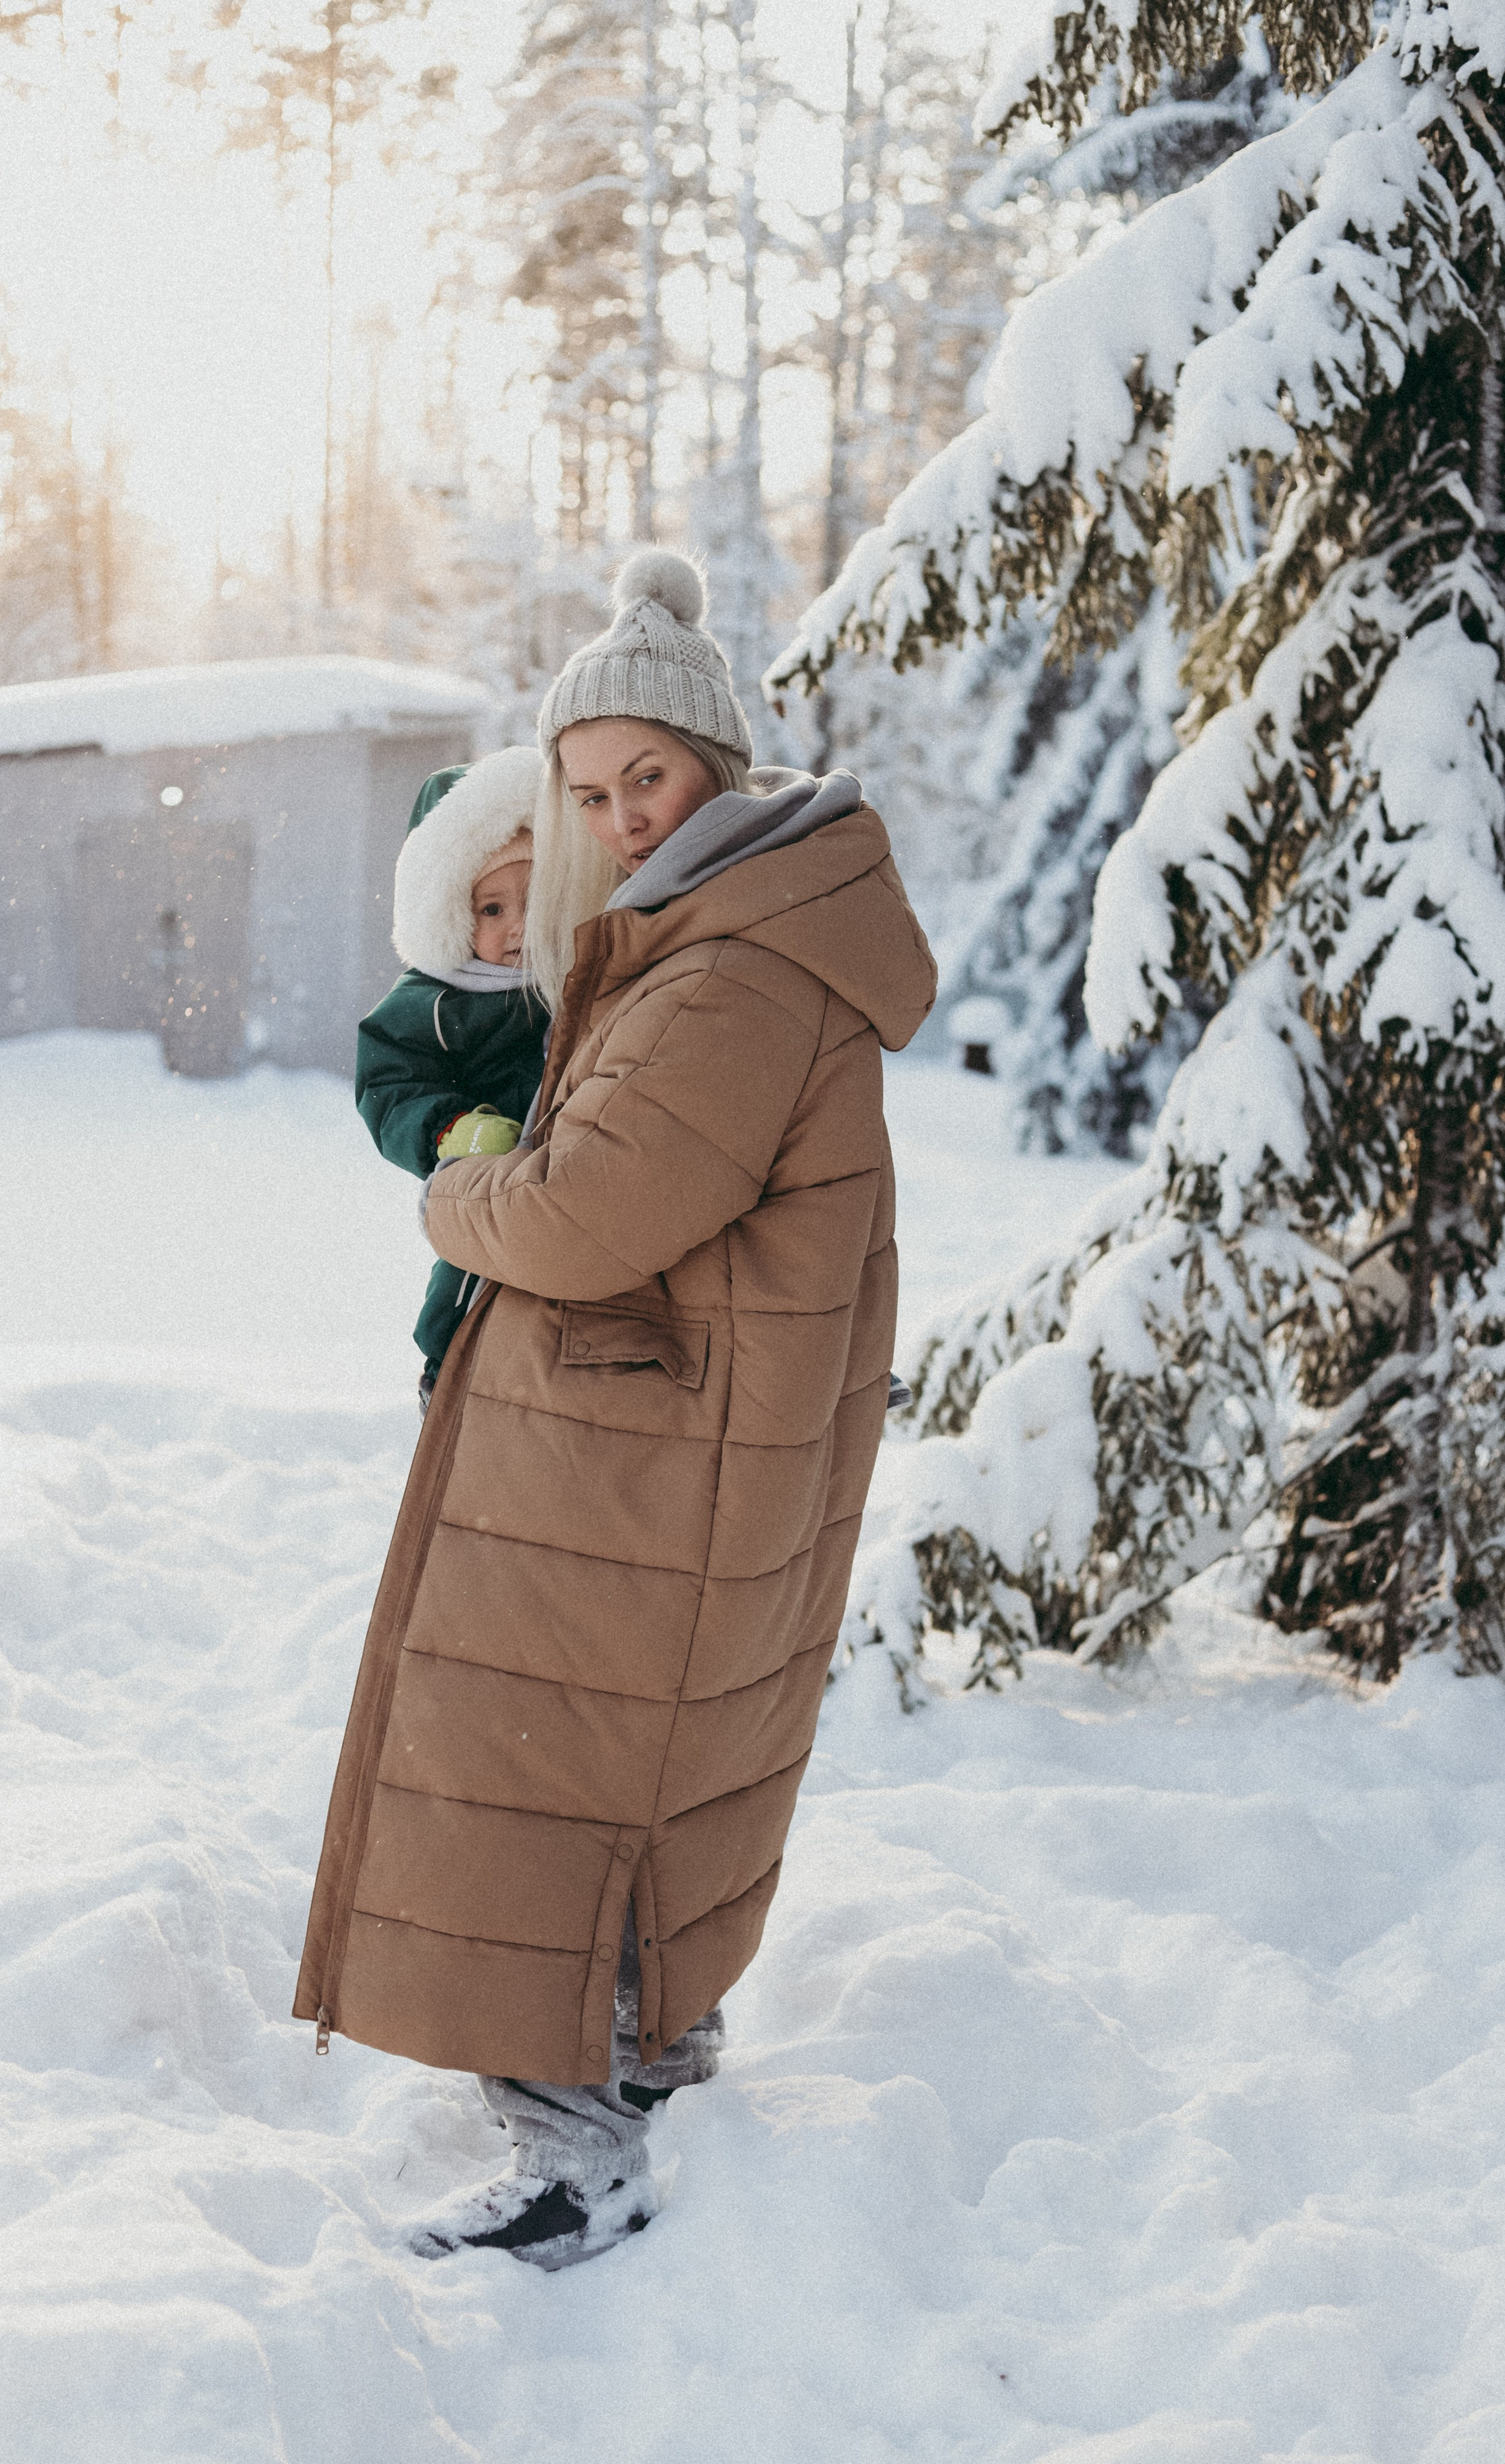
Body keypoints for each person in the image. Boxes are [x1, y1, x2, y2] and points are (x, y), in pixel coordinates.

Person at [294, 549, 937, 2270]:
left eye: (643, 776)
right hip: (681, 1439)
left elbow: (584, 1211)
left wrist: (453, 1201)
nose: (619, 815)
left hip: (652, 1460)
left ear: (716, 764)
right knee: (637, 1772)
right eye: (588, 791)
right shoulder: (728, 928)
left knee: (544, 1775)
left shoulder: (731, 971)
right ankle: (648, 2049)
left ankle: (580, 2156)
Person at [355, 747, 551, 1410]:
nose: (519, 924)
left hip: (567, 1181)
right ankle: (446, 1370)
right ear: (451, 915)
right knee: (469, 1281)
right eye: (491, 910)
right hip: (485, 1175)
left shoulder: (579, 978)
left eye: (536, 898)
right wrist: (449, 1128)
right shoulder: (439, 1000)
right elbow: (389, 1082)